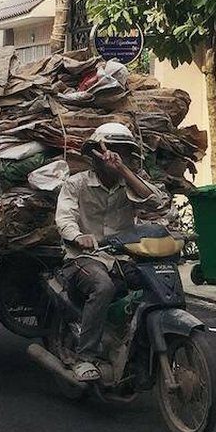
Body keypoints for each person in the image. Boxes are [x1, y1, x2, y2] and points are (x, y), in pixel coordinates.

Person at [55, 123, 168, 382]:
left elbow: (158, 203)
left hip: (123, 257)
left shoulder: (129, 184)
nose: (113, 155)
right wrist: (78, 236)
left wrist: (123, 170)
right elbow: (65, 218)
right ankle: (85, 356)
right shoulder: (76, 184)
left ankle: (139, 345)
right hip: (84, 258)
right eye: (108, 149)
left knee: (158, 281)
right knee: (103, 287)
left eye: (122, 152)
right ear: (94, 154)